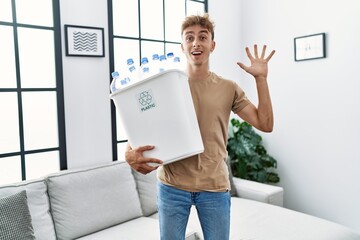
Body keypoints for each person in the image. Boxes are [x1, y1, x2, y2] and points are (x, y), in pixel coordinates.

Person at [125, 13, 275, 240]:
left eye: (203, 37)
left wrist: (261, 80)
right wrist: (129, 154)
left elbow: (265, 124)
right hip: (171, 187)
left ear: (212, 45)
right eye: (190, 38)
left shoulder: (228, 88)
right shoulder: (166, 85)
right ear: (182, 46)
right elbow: (142, 127)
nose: (196, 43)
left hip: (214, 188)